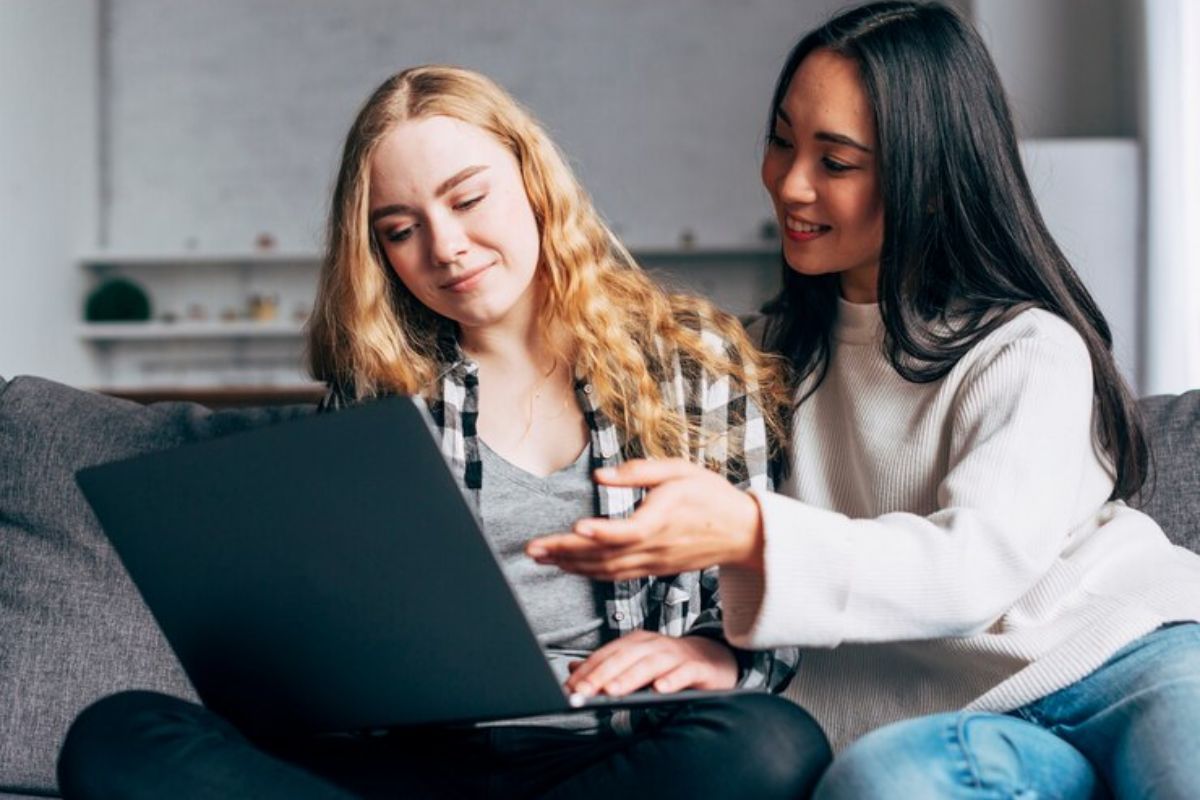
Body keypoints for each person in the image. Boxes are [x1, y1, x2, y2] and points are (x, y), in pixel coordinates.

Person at [55, 66, 831, 799]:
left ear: (535, 182)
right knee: (116, 735)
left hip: (604, 748)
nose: (445, 247)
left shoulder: (695, 360)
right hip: (406, 758)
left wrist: (713, 655)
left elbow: (765, 578)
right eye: (401, 229)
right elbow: (339, 617)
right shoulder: (380, 386)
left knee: (774, 745)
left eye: (468, 200)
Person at [528, 3, 1200, 797]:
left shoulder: (1025, 347)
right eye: (782, 140)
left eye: (836, 162)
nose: (790, 182)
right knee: (876, 784)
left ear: (933, 181)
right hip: (954, 713)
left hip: (1125, 654)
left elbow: (974, 568)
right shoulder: (761, 362)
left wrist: (749, 533)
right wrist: (724, 652)